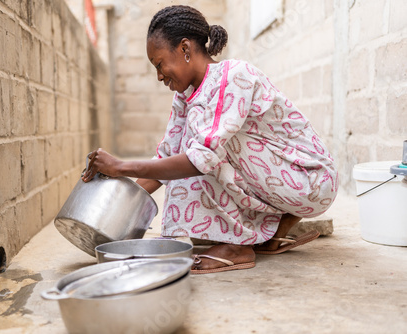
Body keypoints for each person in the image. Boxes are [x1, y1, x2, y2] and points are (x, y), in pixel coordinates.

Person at [82, 5, 338, 274]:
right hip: (279, 182)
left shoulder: (234, 76)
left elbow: (199, 159)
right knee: (191, 156)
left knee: (203, 152)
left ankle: (238, 247)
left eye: (159, 64)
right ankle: (273, 231)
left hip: (312, 180)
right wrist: (115, 210)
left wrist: (121, 166)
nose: (159, 76)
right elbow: (166, 158)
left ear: (184, 49)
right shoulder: (186, 96)